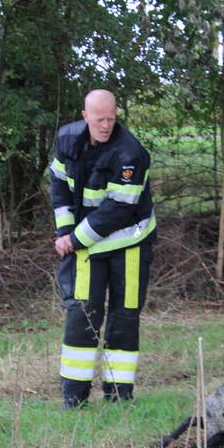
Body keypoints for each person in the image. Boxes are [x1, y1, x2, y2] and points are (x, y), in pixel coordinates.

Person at [49, 89, 157, 408]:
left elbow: (118, 209)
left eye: (111, 118)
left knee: (124, 316)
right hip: (86, 241)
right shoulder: (67, 140)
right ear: (85, 117)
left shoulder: (131, 153)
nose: (106, 125)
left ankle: (118, 397)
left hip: (130, 241)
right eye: (99, 119)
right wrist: (65, 229)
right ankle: (74, 398)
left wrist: (74, 239)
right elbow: (58, 183)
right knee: (82, 313)